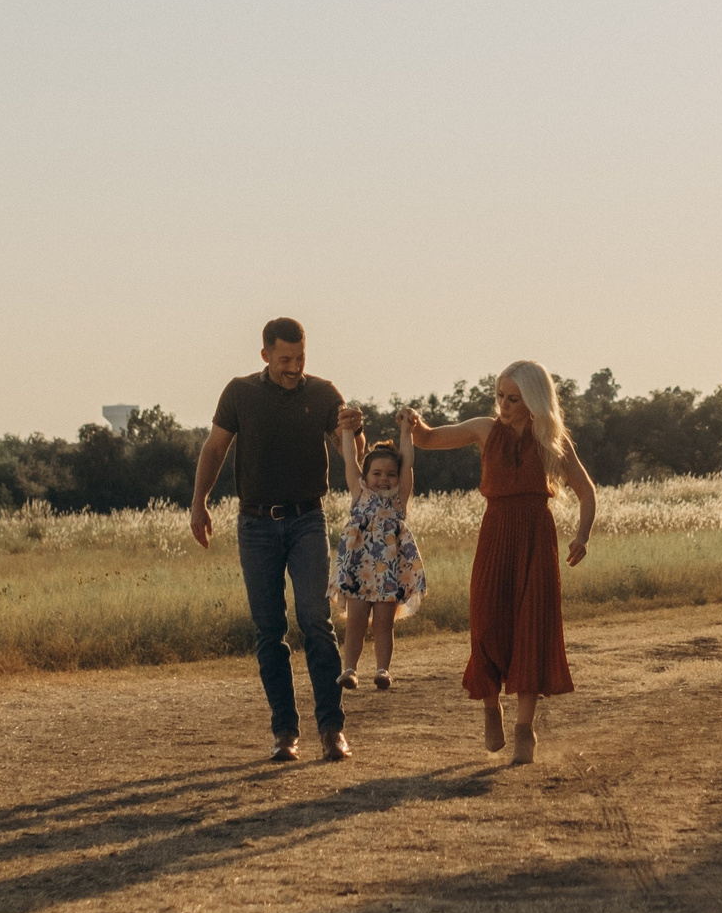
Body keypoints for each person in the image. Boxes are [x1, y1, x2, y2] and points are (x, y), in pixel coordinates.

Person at [399, 360, 597, 765]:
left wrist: (582, 535)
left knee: (532, 626)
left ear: (534, 401)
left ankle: (526, 729)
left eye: (514, 399)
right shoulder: (485, 429)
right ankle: (492, 708)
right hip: (495, 534)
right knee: (486, 622)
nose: (504, 405)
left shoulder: (551, 440)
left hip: (536, 538)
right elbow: (430, 440)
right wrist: (414, 424)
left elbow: (586, 491)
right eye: (500, 397)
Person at [191, 317, 361, 764]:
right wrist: (199, 503)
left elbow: (348, 452)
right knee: (269, 631)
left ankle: (332, 731)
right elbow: (215, 448)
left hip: (308, 519)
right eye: (285, 358)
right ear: (265, 355)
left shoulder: (324, 393)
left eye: (300, 357)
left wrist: (353, 430)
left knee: (316, 622)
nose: (294, 367)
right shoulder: (239, 393)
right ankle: (285, 733)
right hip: (255, 524)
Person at [331, 417, 426, 692]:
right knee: (356, 622)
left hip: (390, 571)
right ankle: (349, 670)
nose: (384, 479)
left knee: (384, 623)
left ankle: (383, 670)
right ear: (366, 476)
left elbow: (407, 462)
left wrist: (407, 430)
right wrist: (347, 430)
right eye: (377, 473)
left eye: (390, 474)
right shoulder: (359, 494)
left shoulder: (399, 499)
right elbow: (350, 459)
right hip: (358, 568)